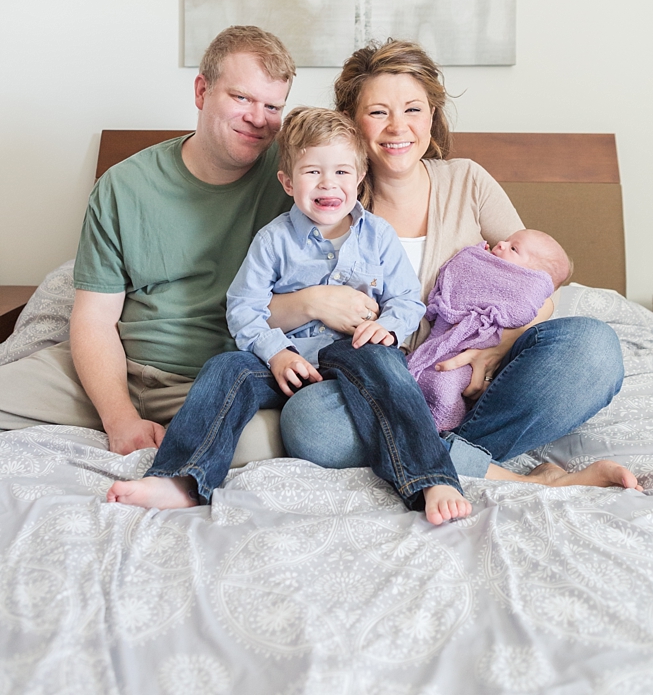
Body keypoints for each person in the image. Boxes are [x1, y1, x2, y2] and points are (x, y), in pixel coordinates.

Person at [277, 40, 641, 494]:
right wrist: (312, 300)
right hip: (380, 392)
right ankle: (512, 476)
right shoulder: (324, 194)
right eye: (377, 113)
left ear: (432, 116)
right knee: (310, 423)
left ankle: (417, 453)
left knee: (594, 348)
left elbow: (537, 286)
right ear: (351, 121)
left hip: (471, 386)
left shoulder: (467, 180)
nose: (398, 128)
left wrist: (495, 348)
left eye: (412, 109)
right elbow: (259, 307)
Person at [107, 107, 472, 525]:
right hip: (289, 361)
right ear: (287, 181)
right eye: (312, 172)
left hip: (356, 353)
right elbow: (243, 307)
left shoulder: (379, 236)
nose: (327, 184)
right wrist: (275, 352)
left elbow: (408, 300)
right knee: (226, 367)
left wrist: (386, 326)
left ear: (359, 179)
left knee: (387, 365)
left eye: (340, 172)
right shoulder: (274, 240)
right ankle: (179, 479)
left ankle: (431, 478)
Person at [0, 26, 349, 462]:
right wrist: (119, 419)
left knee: (257, 445)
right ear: (202, 91)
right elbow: (93, 319)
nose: (258, 119)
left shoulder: (299, 181)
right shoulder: (123, 186)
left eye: (272, 106)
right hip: (114, 370)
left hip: (216, 380)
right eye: (241, 98)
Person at [407, 231, 571, 431]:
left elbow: (537, 299)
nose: (501, 243)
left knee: (444, 387)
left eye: (513, 248)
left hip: (472, 354)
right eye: (507, 241)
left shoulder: (523, 287)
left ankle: (442, 429)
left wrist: (502, 344)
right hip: (422, 346)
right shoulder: (475, 258)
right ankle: (439, 443)